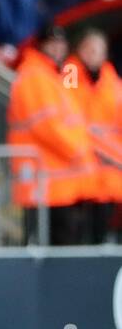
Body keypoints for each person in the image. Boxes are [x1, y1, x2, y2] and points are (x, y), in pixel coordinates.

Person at [8, 24, 99, 244]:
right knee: (51, 251)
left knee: (66, 247)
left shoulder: (53, 75)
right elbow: (47, 125)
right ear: (42, 45)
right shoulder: (34, 75)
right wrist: (78, 151)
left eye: (61, 43)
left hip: (60, 183)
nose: (58, 48)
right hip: (45, 183)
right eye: (52, 43)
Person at [63, 28, 122, 241]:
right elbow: (66, 107)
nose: (93, 55)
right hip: (80, 163)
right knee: (78, 228)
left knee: (102, 227)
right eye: (89, 49)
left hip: (108, 167)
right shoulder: (70, 72)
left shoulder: (110, 78)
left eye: (98, 50)